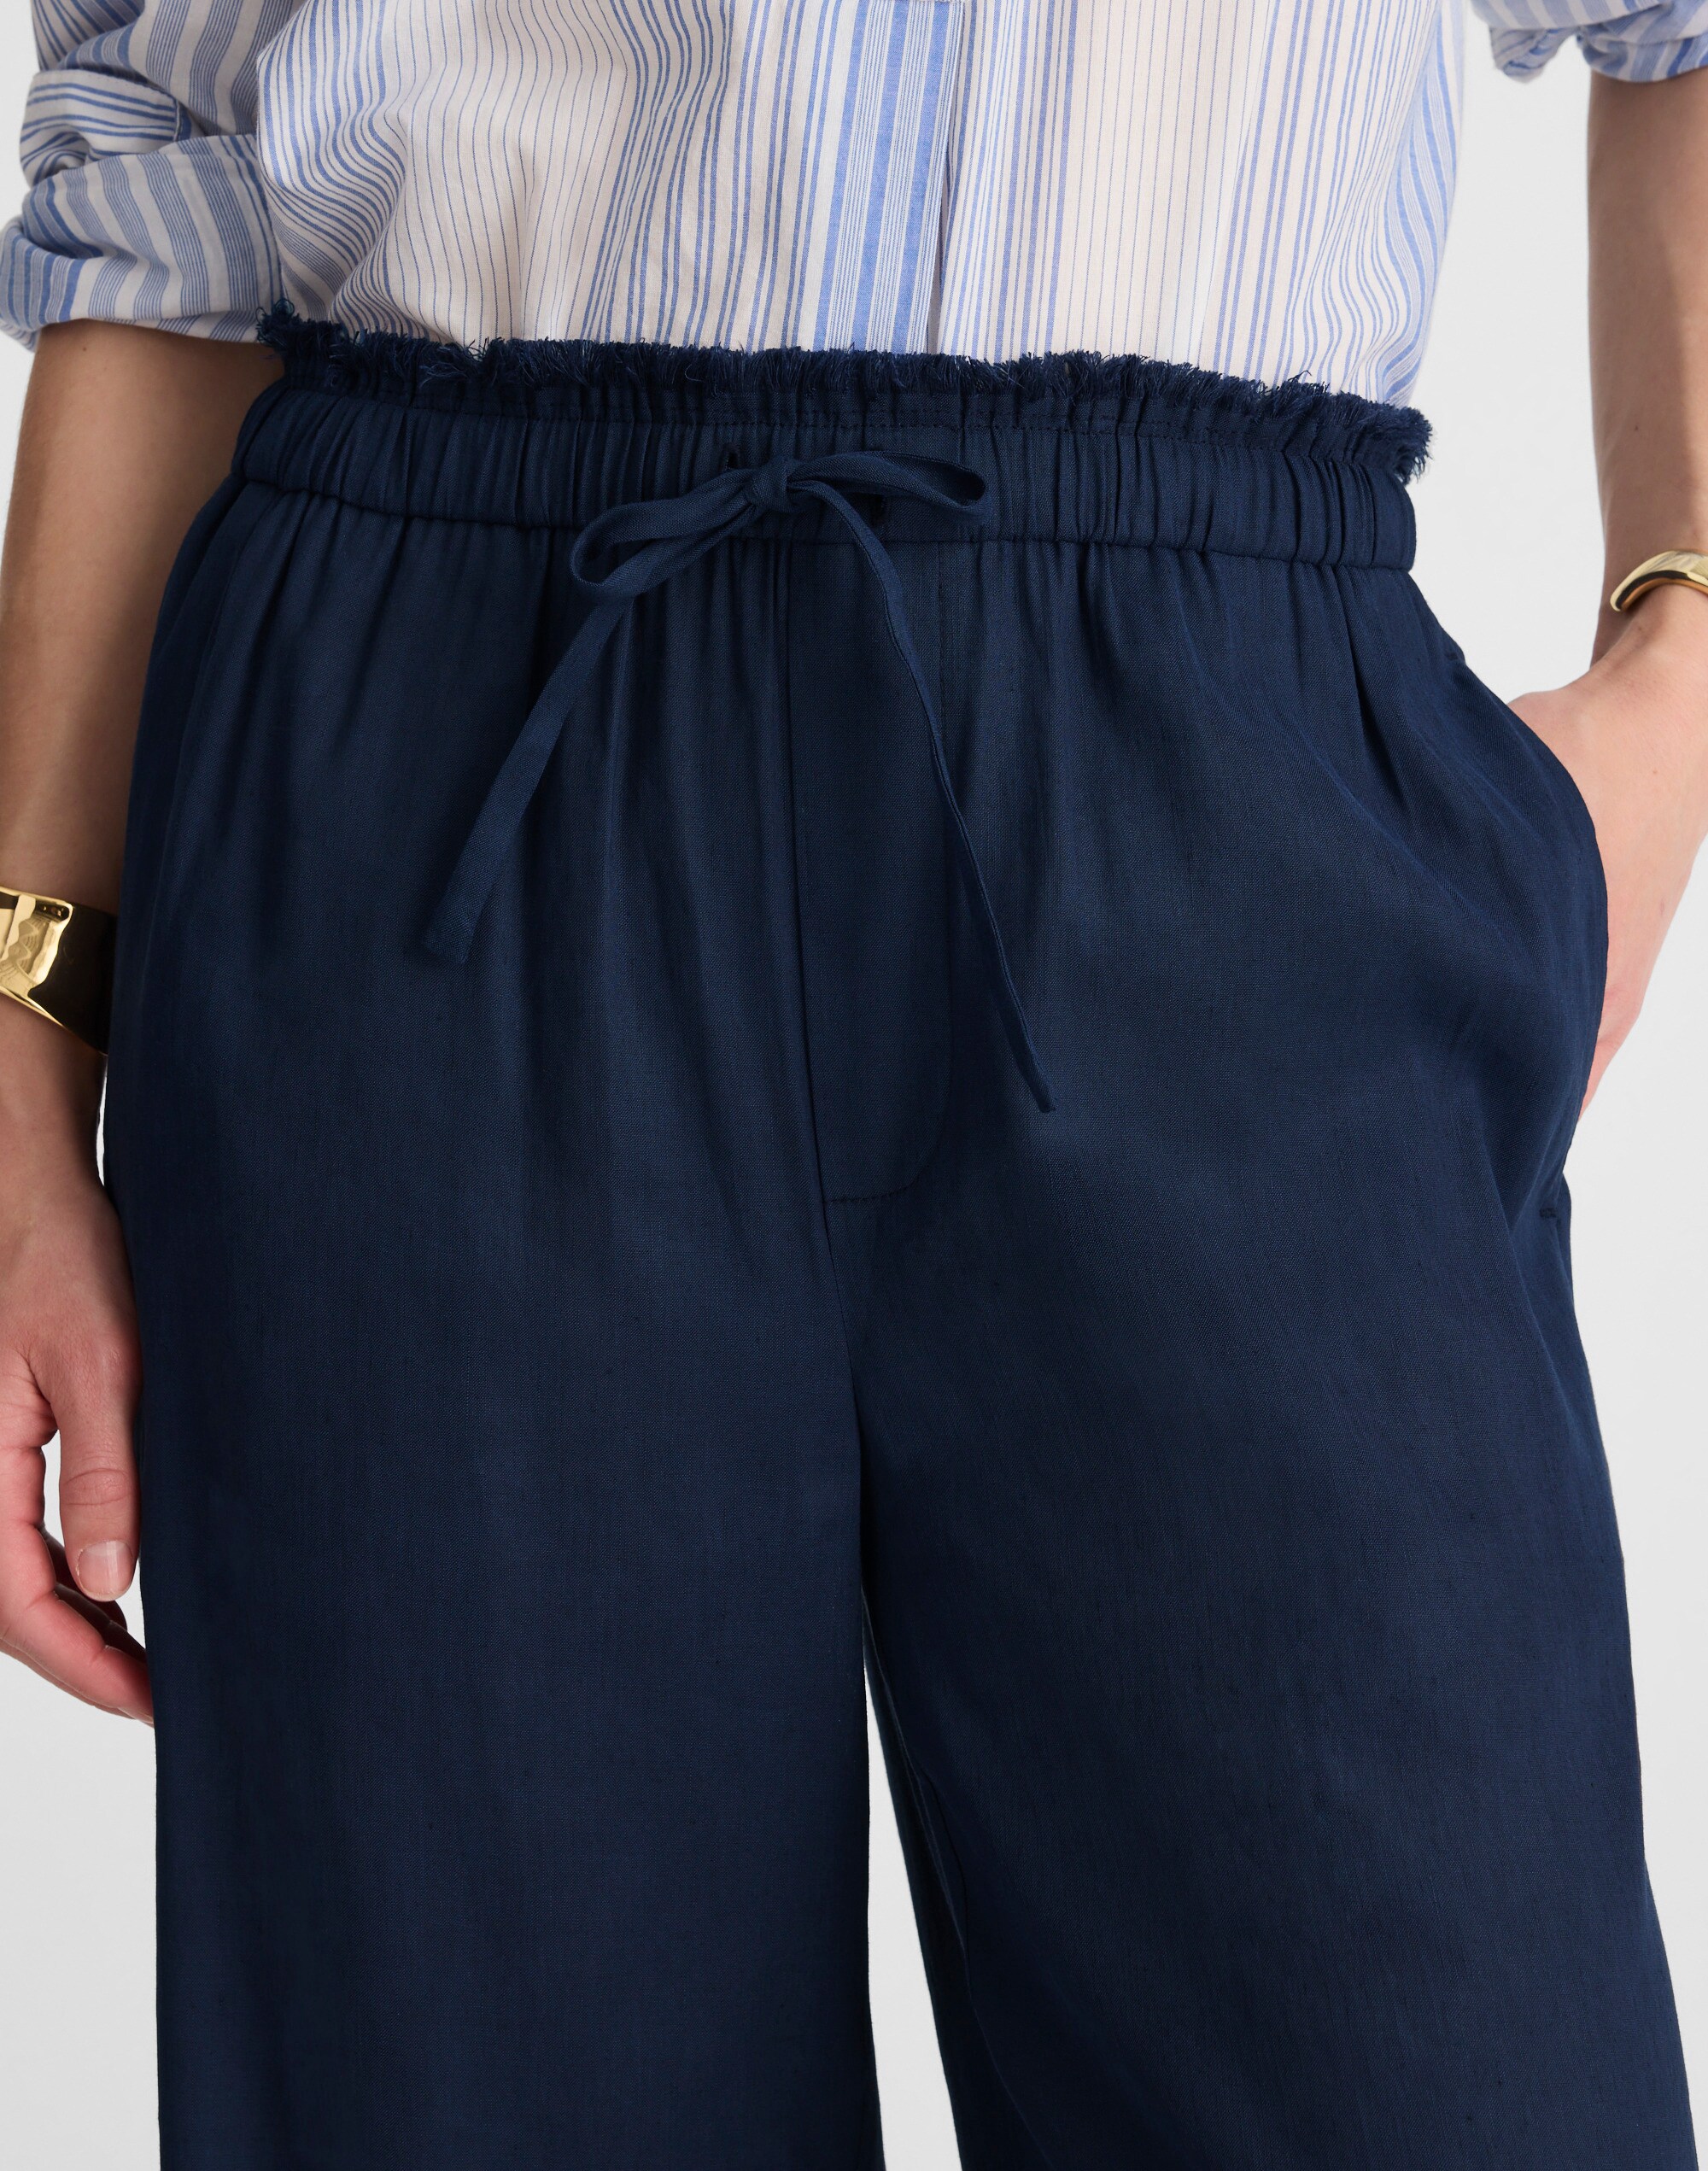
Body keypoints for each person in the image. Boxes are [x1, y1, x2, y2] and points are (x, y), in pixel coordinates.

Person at [0, 3, 1702, 2165]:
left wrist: (1681, 663)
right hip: (440, 775)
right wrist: (25, 1019)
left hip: (1217, 763)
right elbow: (168, 155)